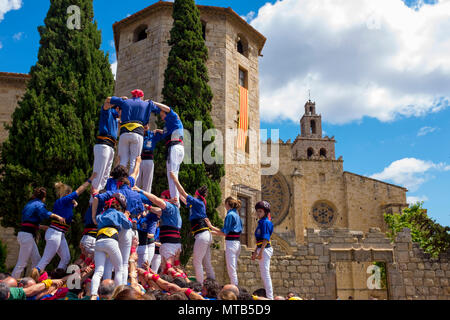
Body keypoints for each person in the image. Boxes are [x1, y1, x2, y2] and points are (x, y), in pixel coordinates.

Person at [32, 173, 96, 280]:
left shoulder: (64, 203)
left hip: (58, 233)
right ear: (68, 193)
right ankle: (33, 278)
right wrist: (90, 180)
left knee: (66, 258)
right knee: (46, 259)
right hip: (55, 233)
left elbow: (71, 207)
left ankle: (56, 278)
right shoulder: (63, 200)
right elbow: (79, 190)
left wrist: (74, 204)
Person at [169, 171, 215, 284]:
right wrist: (176, 191)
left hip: (202, 235)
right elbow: (184, 199)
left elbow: (184, 193)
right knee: (206, 262)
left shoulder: (198, 202)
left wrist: (175, 180)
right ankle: (212, 283)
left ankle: (199, 285)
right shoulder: (197, 204)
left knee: (197, 261)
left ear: (197, 195)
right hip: (206, 235)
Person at [12, 187, 66, 279]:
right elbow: (45, 213)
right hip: (27, 236)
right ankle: (11, 284)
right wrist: (57, 217)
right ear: (43, 197)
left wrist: (40, 227)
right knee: (22, 263)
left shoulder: (29, 204)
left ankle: (31, 281)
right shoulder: (39, 204)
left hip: (25, 235)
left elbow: (27, 221)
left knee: (37, 260)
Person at [90, 193, 132, 300]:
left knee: (98, 270)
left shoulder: (101, 215)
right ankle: (120, 293)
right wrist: (126, 216)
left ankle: (94, 295)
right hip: (111, 241)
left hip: (98, 242)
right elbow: (128, 225)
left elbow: (95, 221)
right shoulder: (119, 214)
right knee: (119, 267)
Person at [133, 187, 182, 275]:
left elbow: (155, 200)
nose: (161, 199)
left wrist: (140, 191)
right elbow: (157, 210)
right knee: (169, 270)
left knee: (168, 269)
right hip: (173, 244)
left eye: (162, 197)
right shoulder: (173, 210)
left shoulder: (170, 207)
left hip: (169, 244)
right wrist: (148, 207)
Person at [107, 90, 159, 173]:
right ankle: (131, 184)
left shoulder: (124, 102)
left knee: (122, 160)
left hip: (124, 133)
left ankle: (120, 182)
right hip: (137, 133)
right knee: (134, 162)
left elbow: (108, 99)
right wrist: (150, 102)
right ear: (142, 96)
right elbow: (158, 110)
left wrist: (121, 98)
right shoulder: (146, 104)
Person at [151, 102, 184, 205]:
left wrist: (154, 103)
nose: (161, 118)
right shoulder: (168, 125)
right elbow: (166, 133)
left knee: (172, 175)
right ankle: (177, 200)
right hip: (176, 148)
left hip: (174, 147)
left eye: (162, 115)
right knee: (174, 175)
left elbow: (168, 108)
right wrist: (160, 131)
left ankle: (175, 201)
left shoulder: (173, 117)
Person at [207, 196, 243, 286]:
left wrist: (211, 227)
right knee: (233, 268)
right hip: (237, 243)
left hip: (231, 243)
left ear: (227, 204)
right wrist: (212, 230)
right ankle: (235, 287)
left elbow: (224, 232)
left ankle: (235, 289)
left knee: (231, 269)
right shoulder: (237, 215)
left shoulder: (230, 215)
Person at [91, 100, 120, 194]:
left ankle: (100, 197)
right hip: (104, 144)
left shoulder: (116, 119)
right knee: (99, 173)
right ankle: (93, 200)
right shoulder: (109, 112)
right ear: (117, 108)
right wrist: (118, 100)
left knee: (106, 176)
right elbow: (106, 104)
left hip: (111, 146)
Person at [252, 201, 274, 300]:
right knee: (263, 274)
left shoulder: (266, 222)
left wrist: (260, 253)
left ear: (265, 212)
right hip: (261, 248)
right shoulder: (261, 222)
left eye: (260, 211)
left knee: (265, 274)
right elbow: (259, 241)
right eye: (257, 211)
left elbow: (266, 239)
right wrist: (255, 252)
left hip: (265, 249)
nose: (258, 213)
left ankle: (270, 297)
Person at [136, 126, 163, 194]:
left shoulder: (152, 134)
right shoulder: (138, 133)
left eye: (146, 125)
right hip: (138, 160)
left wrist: (157, 130)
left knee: (147, 184)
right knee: (136, 182)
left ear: (148, 126)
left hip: (148, 160)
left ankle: (146, 202)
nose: (145, 126)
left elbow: (166, 133)